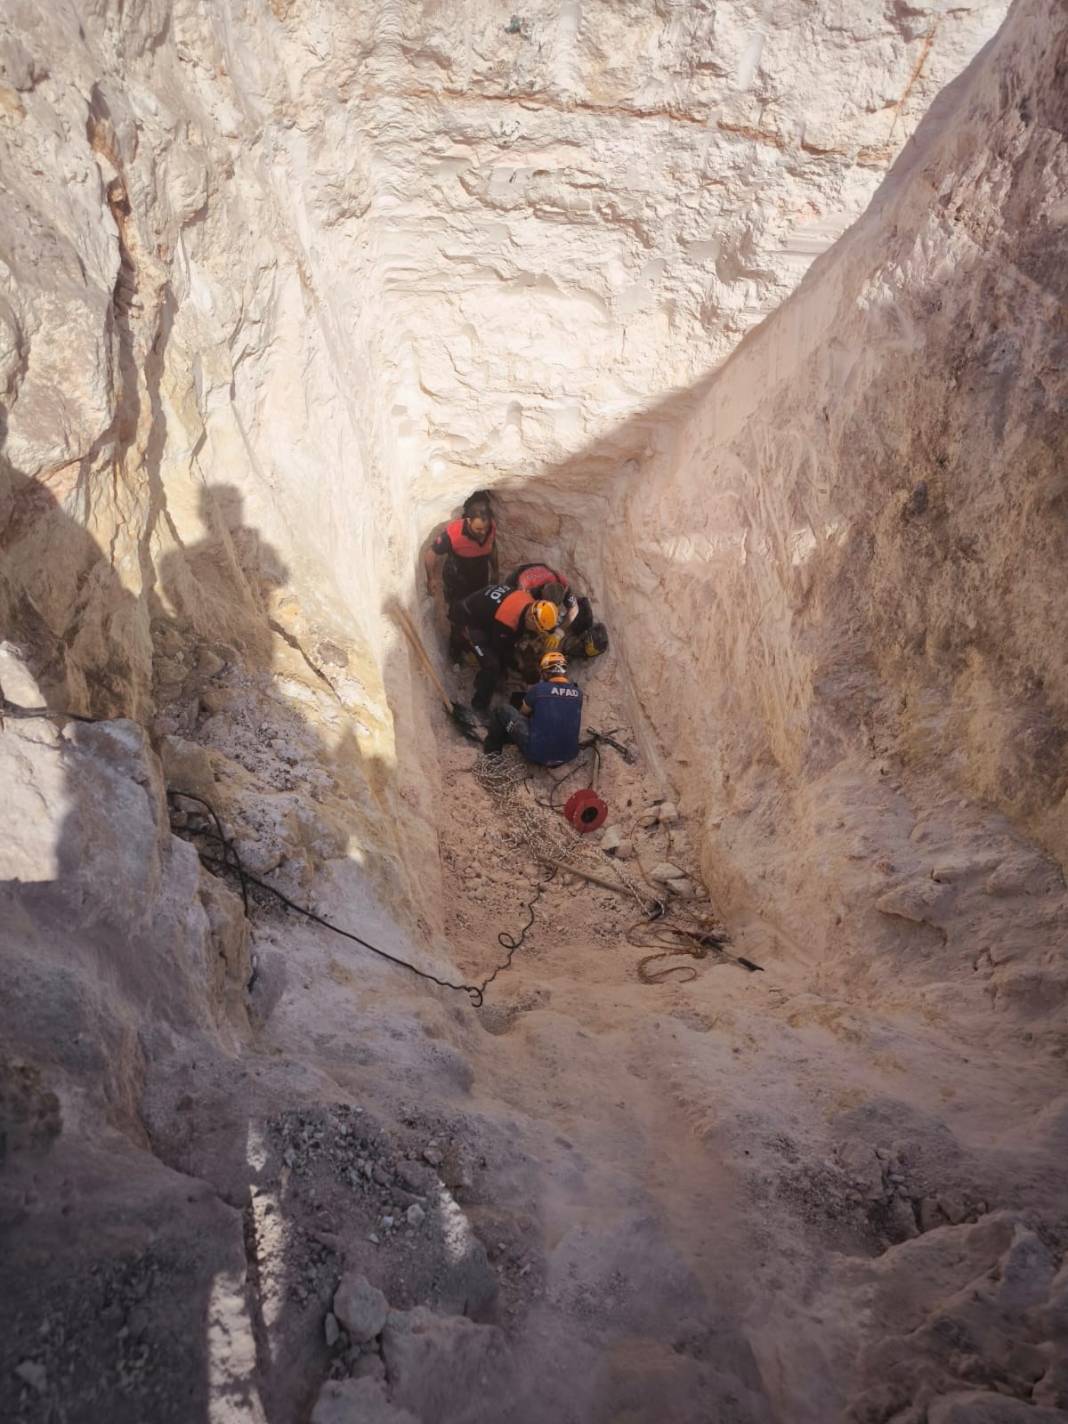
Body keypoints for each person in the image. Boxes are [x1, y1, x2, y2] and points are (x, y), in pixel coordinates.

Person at [450, 583, 559, 713]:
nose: (537, 632)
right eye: (537, 628)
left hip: (482, 610)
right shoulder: (508, 620)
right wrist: (520, 666)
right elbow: (500, 648)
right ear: (531, 618)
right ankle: (479, 706)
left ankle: (488, 679)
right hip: (467, 620)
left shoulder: (530, 602)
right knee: (492, 665)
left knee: (504, 654)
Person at [483, 651, 583, 765]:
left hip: (537, 754)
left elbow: (522, 714)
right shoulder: (578, 694)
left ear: (546, 672)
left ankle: (491, 755)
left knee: (501, 710)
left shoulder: (538, 690)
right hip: (567, 756)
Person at [424, 491, 499, 613]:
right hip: (457, 575)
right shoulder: (454, 533)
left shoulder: (491, 526)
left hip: (480, 573)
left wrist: (495, 571)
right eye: (478, 529)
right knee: (457, 610)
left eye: (486, 528)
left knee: (478, 605)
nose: (483, 533)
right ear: (468, 521)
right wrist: (431, 578)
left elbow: (492, 547)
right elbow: (431, 553)